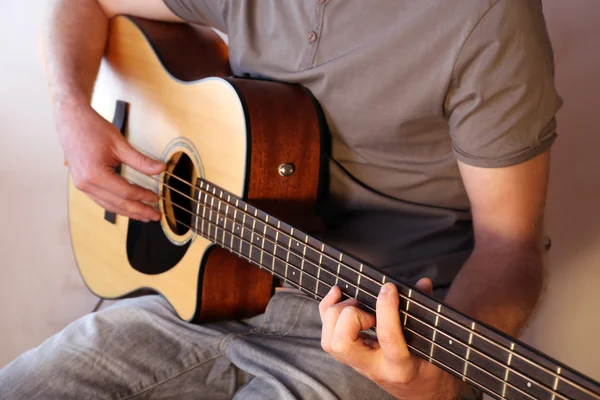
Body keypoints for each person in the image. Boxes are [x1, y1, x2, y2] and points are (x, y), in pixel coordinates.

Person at [0, 0, 562, 399]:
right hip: (208, 285)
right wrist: (72, 113)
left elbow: (510, 247)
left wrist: (441, 377)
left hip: (381, 328)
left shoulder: (488, 16)